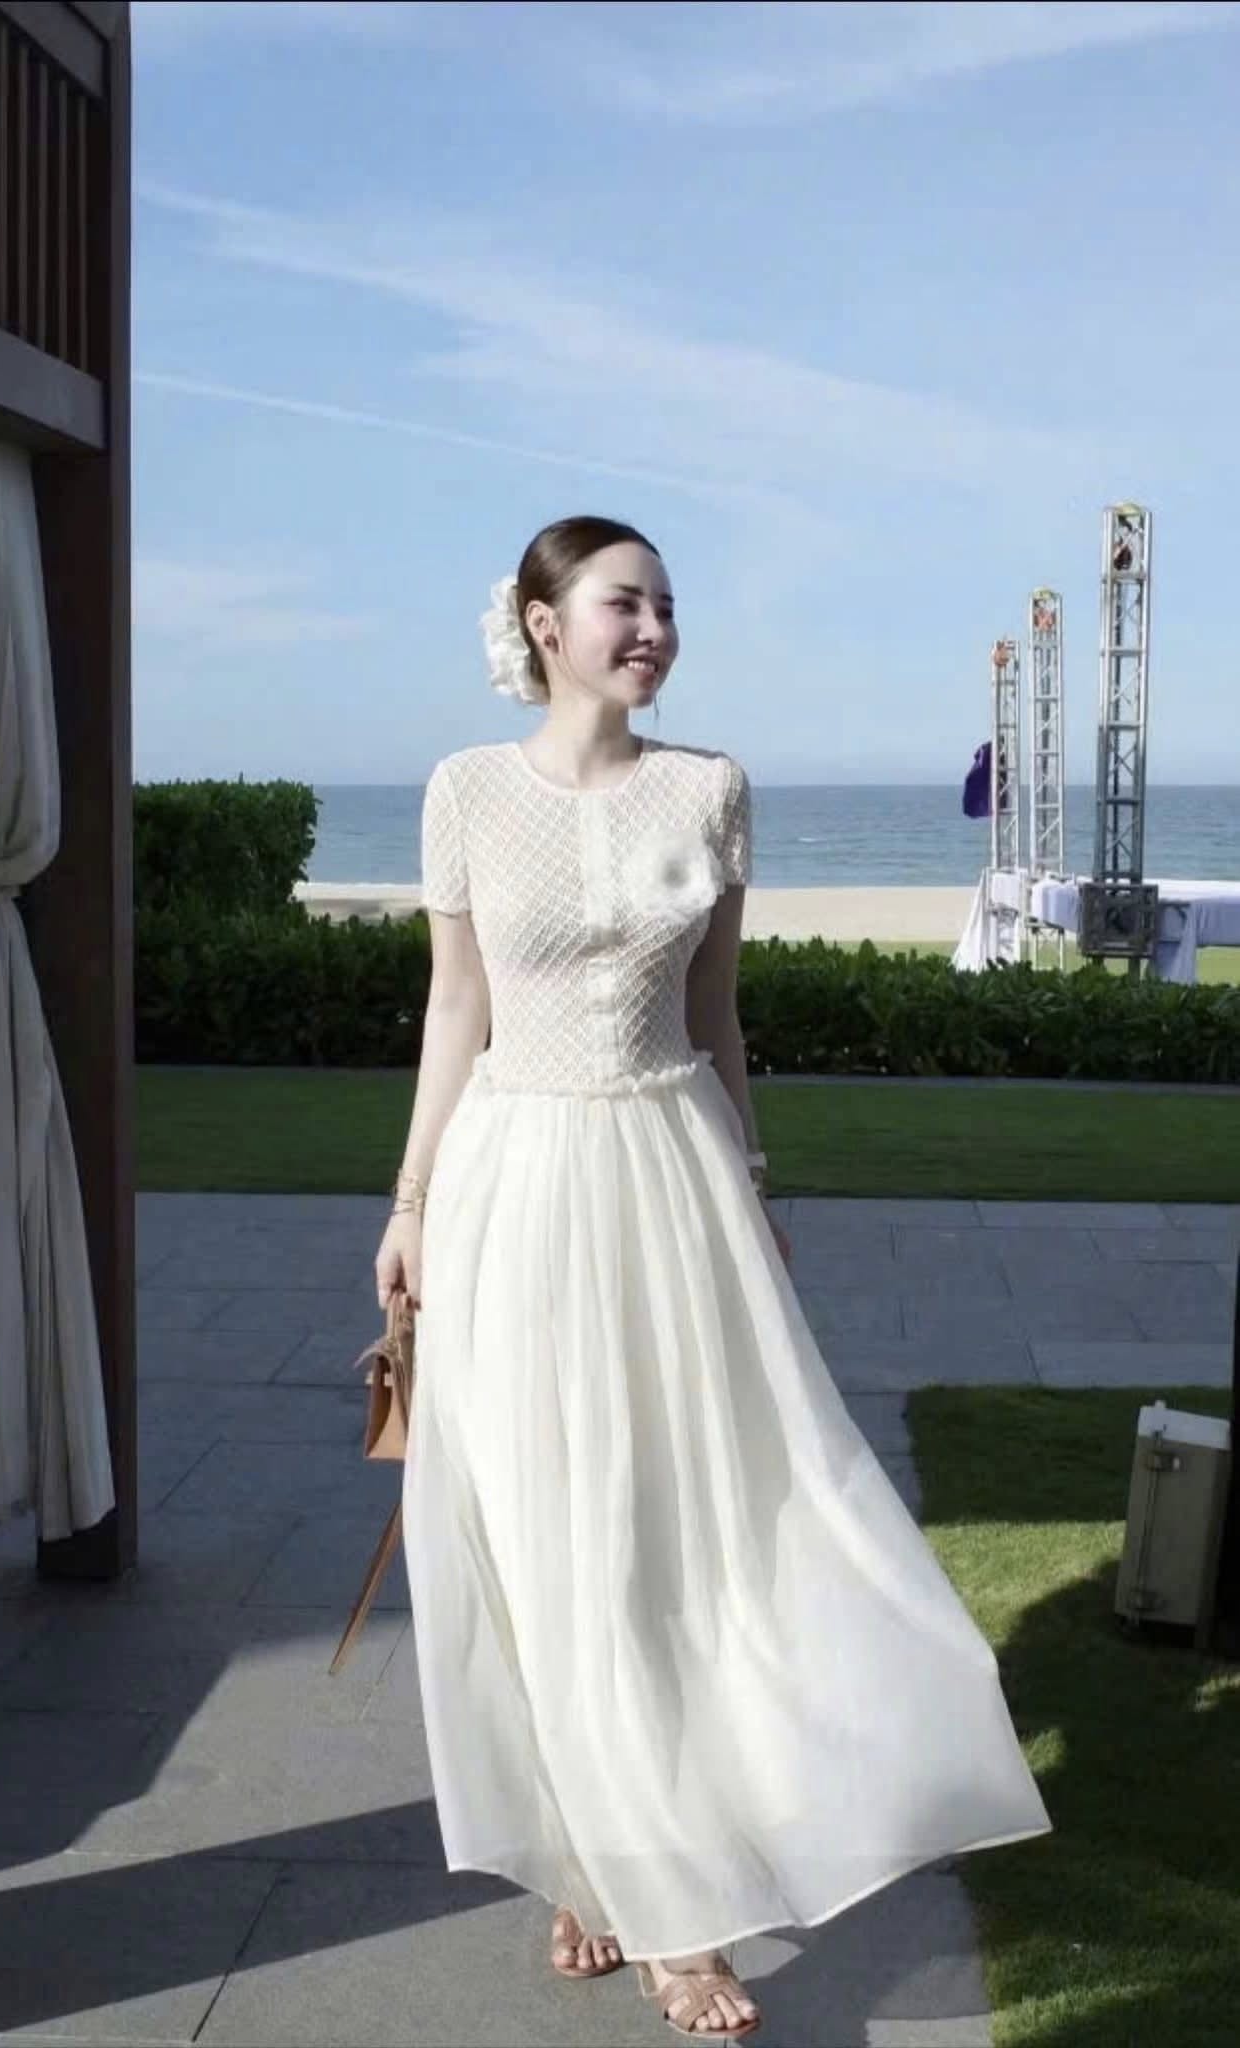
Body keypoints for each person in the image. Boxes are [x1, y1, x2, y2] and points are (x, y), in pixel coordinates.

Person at [374, 516, 1052, 2039]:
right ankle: (606, 1863)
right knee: (547, 1532)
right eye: (625, 602)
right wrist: (410, 1205)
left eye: (669, 606)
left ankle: (662, 1881)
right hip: (514, 1182)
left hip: (672, 1177)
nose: (655, 629)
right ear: (542, 623)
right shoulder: (464, 790)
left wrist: (747, 1177)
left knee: (692, 1520)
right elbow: (454, 1007)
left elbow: (717, 1010)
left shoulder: (711, 788)